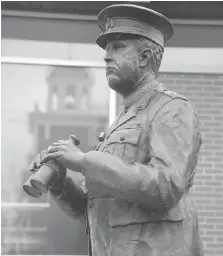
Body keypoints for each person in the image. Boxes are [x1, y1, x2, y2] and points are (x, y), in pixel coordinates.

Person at [30, 4, 204, 256]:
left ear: (145, 57)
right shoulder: (120, 122)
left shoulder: (172, 108)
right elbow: (94, 211)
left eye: (118, 47)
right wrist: (61, 184)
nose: (106, 56)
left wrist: (84, 161)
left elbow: (167, 186)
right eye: (106, 49)